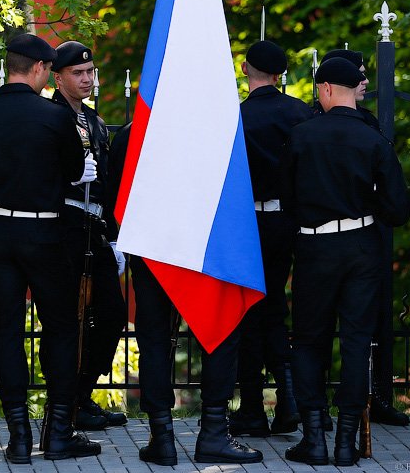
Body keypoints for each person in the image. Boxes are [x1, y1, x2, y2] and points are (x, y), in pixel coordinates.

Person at [0, 33, 98, 463]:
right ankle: (57, 433)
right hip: (45, 231)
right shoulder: (55, 118)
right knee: (61, 328)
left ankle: (18, 435)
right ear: (39, 68)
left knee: (8, 332)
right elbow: (75, 172)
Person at [107, 124, 263, 466]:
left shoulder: (134, 131)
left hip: (151, 245)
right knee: (219, 333)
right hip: (204, 244)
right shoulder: (214, 125)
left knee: (154, 340)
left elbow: (115, 193)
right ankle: (214, 432)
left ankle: (161, 436)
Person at [281, 57, 410, 467]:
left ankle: (314, 438)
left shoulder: (300, 136)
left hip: (314, 247)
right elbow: (398, 209)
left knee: (308, 341)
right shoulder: (374, 140)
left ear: (324, 88)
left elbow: (285, 200)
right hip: (360, 246)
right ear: (355, 89)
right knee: (356, 341)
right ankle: (345, 441)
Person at [317, 49, 409, 428]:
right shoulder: (311, 124)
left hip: (366, 232)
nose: (365, 81)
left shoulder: (367, 123)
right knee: (321, 327)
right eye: (359, 73)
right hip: (327, 235)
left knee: (369, 322)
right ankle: (319, 407)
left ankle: (374, 397)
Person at [230, 40, 313, 437]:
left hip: (248, 222)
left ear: (246, 69)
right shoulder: (301, 113)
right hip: (290, 220)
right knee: (277, 308)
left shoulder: (236, 116)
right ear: (280, 74)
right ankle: (289, 397)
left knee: (250, 311)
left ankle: (252, 406)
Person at [50, 41, 128, 431]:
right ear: (57, 78)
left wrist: (113, 237)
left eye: (89, 72)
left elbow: (108, 185)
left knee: (111, 315)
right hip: (64, 227)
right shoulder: (52, 117)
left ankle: (82, 394)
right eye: (77, 73)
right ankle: (64, 404)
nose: (86, 79)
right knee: (69, 319)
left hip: (95, 228)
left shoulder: (94, 121)